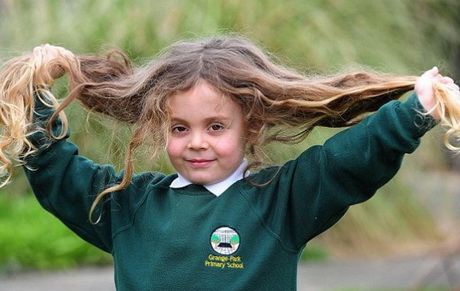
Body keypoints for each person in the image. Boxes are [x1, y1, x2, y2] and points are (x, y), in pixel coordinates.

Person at [0, 36, 459, 290]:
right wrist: (36, 101)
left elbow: (345, 163)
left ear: (251, 129)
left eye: (216, 127)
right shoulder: (126, 205)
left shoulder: (280, 202)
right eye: (180, 128)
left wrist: (411, 112)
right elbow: (57, 170)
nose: (196, 143)